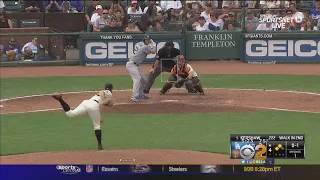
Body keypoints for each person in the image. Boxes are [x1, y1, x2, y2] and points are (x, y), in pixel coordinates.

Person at [51, 83, 114, 150]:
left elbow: (102, 105)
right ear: (111, 89)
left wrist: (102, 112)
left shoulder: (105, 98)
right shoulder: (108, 92)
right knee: (97, 126)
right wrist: (105, 101)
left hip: (86, 103)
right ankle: (99, 145)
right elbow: (102, 92)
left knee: (71, 114)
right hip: (93, 106)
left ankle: (60, 99)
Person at [126, 35, 156, 102]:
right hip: (131, 64)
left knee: (144, 80)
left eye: (148, 39)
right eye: (146, 40)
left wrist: (152, 45)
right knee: (137, 78)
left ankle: (140, 94)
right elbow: (154, 51)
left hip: (136, 65)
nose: (147, 41)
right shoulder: (145, 47)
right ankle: (134, 96)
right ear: (144, 40)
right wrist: (153, 45)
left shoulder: (145, 46)